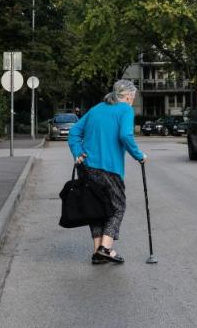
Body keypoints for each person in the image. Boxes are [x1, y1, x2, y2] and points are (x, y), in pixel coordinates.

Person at [68, 80, 146, 265]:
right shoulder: (125, 110)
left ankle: (98, 252)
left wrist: (77, 152)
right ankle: (105, 248)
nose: (132, 101)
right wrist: (139, 155)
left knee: (96, 208)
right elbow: (125, 135)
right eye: (133, 97)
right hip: (109, 168)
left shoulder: (96, 109)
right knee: (118, 206)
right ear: (128, 96)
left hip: (87, 167)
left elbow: (74, 132)